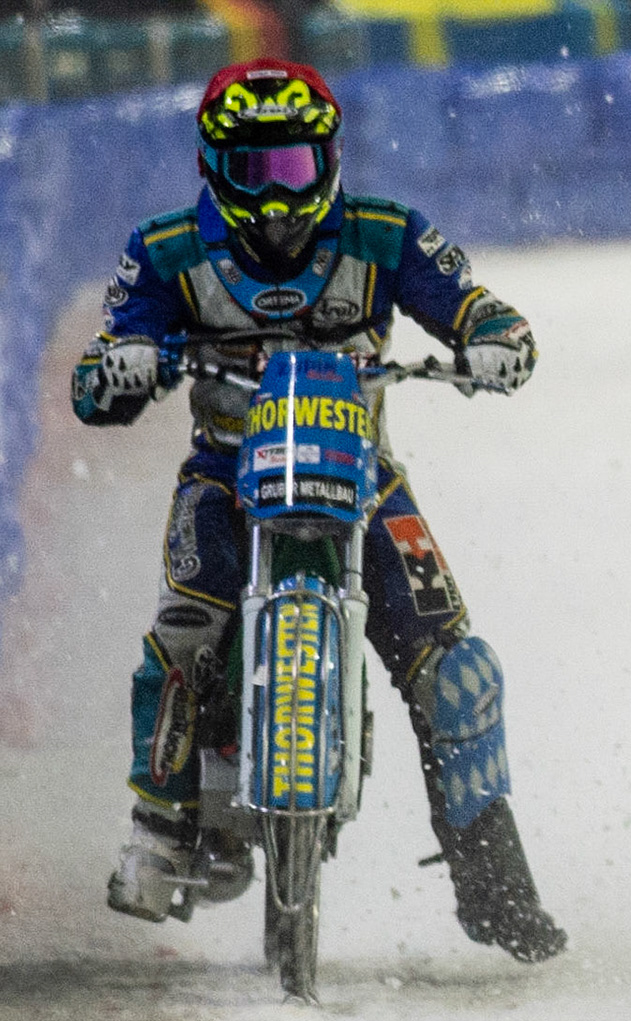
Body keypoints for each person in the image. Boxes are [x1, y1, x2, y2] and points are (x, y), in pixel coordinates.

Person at [73, 58, 566, 962]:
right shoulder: (165, 249)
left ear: (330, 157)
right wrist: (124, 365)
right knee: (183, 632)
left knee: (459, 673)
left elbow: (479, 307)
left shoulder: (387, 234)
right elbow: (99, 371)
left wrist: (498, 342)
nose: (279, 196)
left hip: (362, 475)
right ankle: (159, 827)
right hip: (226, 475)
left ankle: (494, 883)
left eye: (296, 167)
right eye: (257, 171)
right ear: (215, 169)